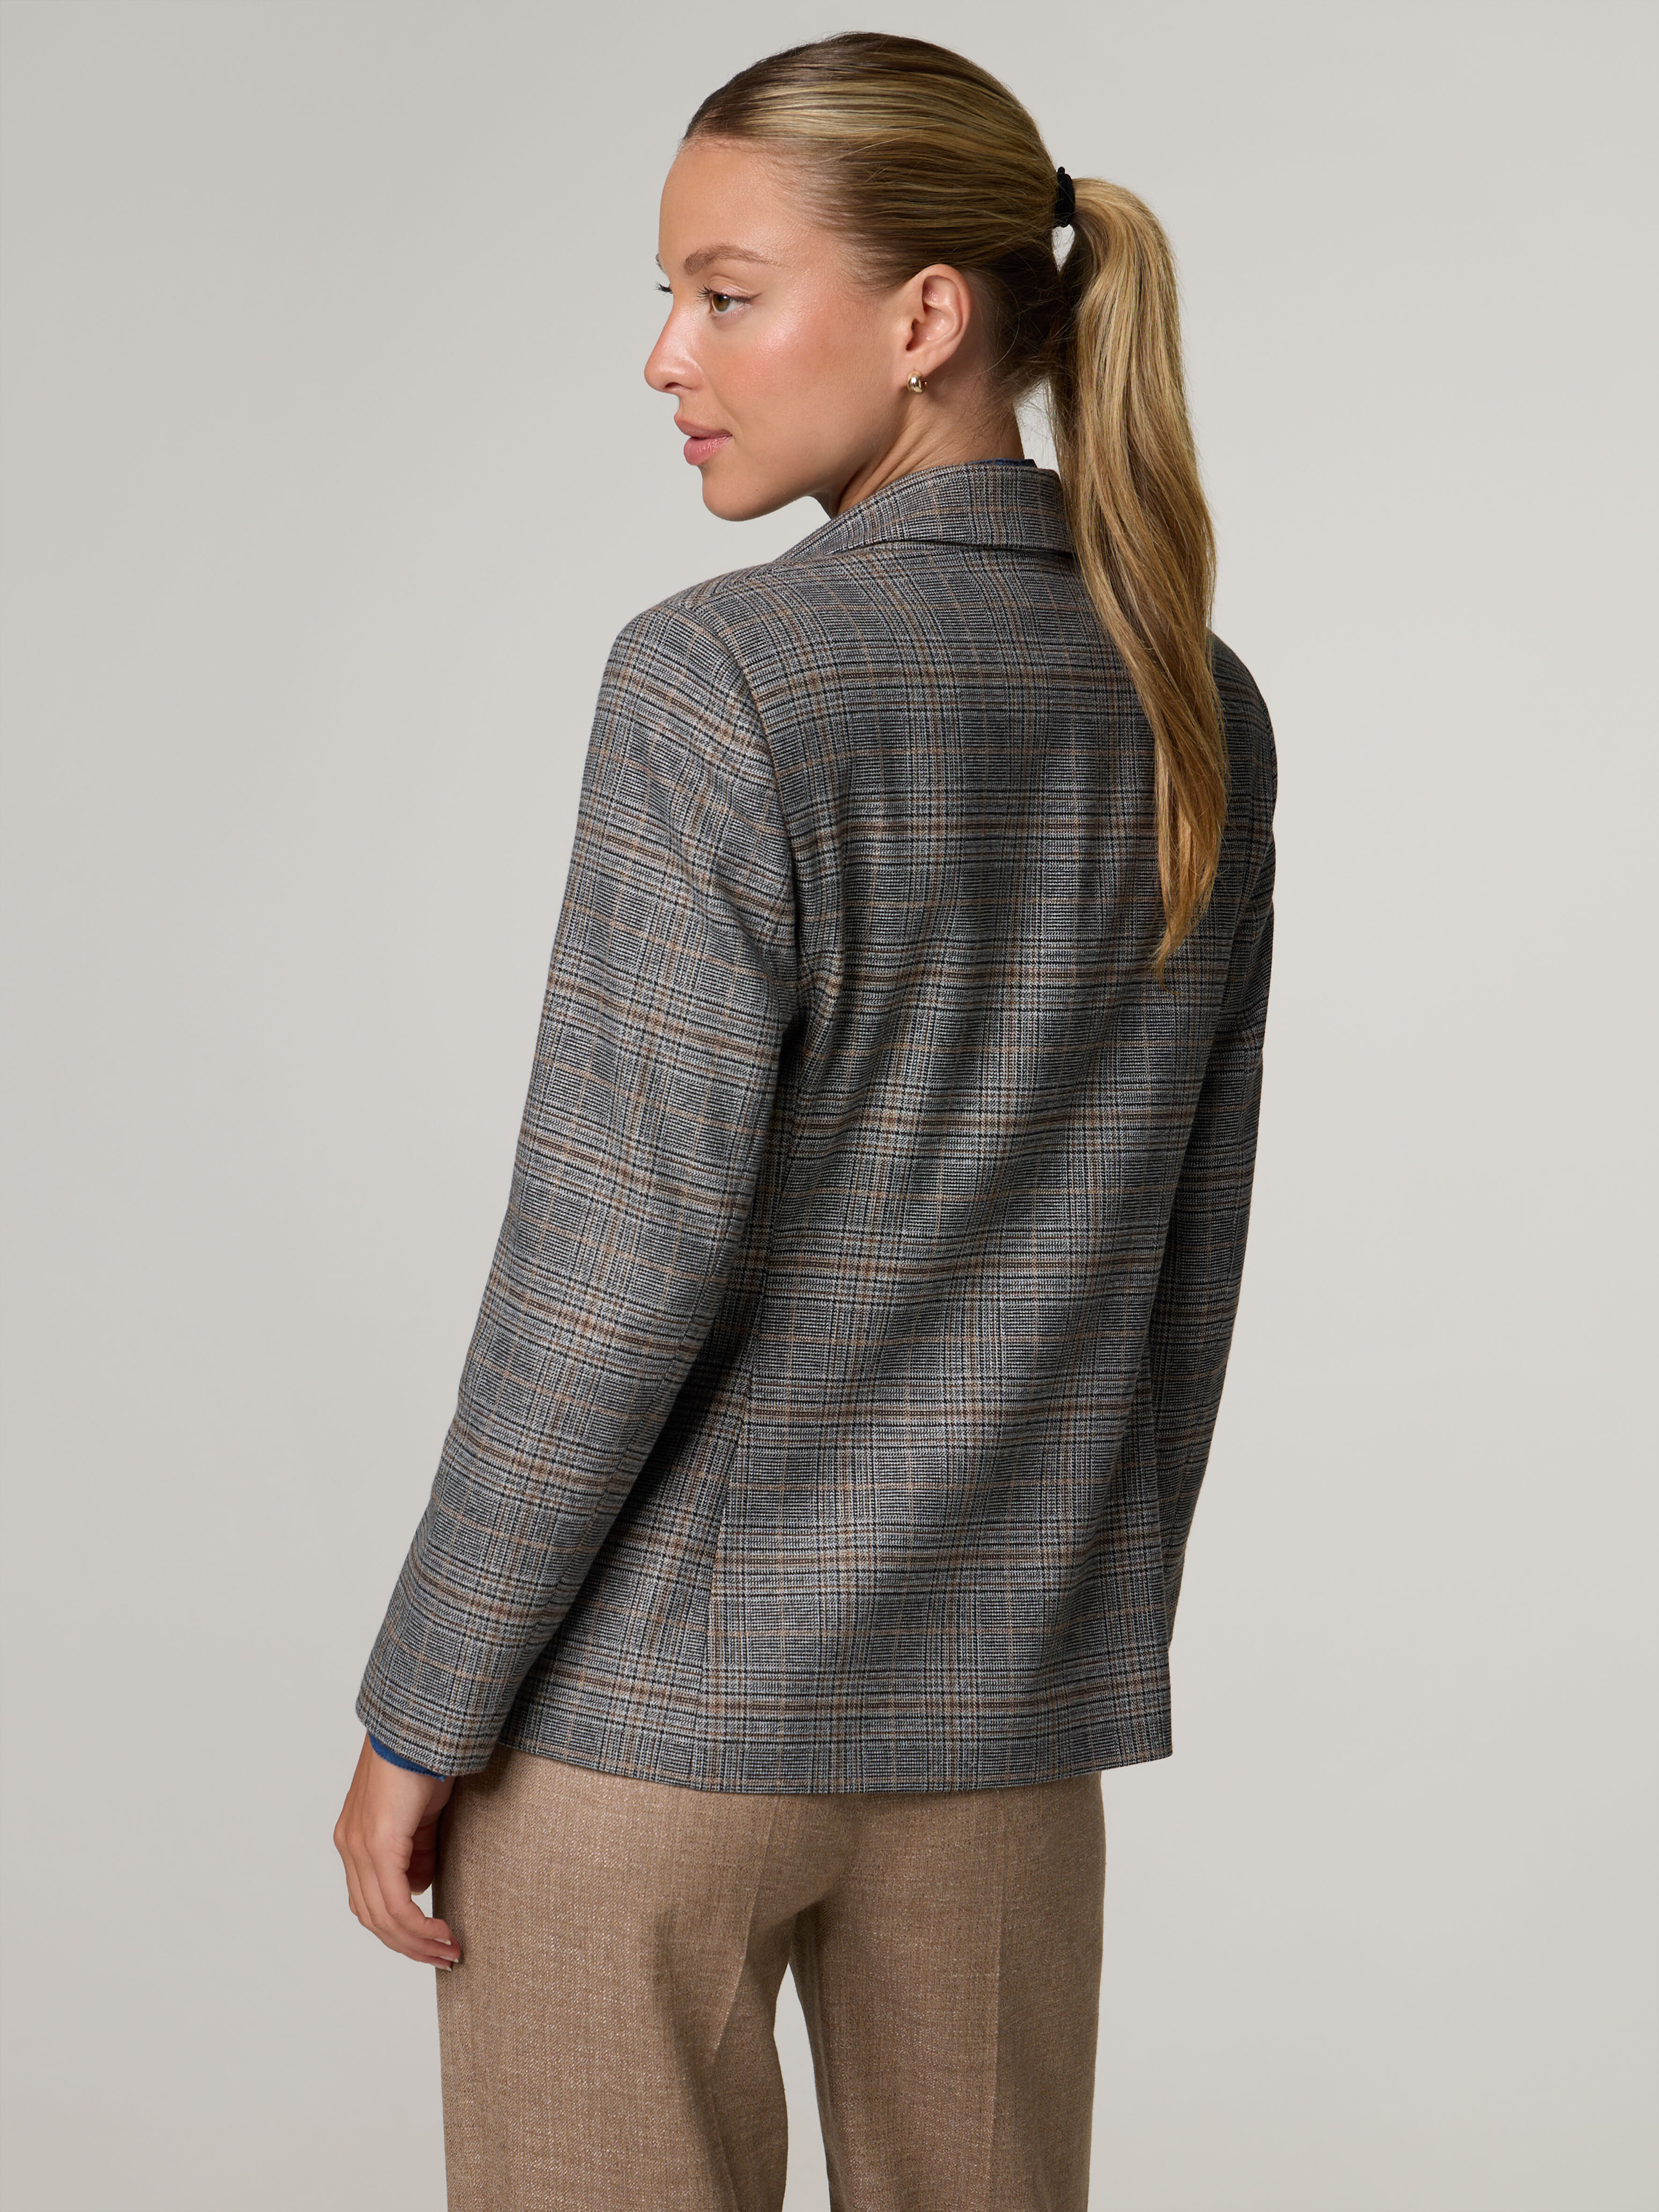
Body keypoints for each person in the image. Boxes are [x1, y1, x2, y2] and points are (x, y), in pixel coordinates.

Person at [334, 30, 1276, 2212]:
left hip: (652, 1725)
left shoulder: (722, 678)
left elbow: (611, 1260)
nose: (666, 355)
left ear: (927, 314)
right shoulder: (1193, 696)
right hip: (1004, 1734)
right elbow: (1183, 1249)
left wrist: (420, 1706)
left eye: (726, 293)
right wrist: (1055, 1618)